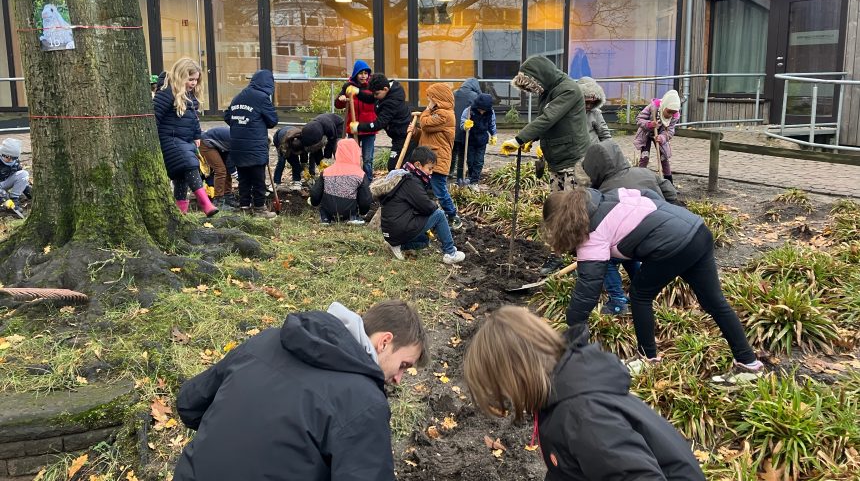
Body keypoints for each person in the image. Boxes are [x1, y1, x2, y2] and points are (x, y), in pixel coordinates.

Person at [173, 299, 428, 481]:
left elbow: (189, 404)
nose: (399, 379)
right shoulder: (364, 402)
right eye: (403, 365)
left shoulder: (267, 339)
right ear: (385, 341)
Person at [464, 307, 705, 481]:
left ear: (515, 373)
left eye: (500, 387)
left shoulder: (582, 415)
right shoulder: (566, 389)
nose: (505, 396)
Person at [541, 187, 763, 375]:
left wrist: (572, 324)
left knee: (640, 296)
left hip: (673, 244)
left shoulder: (593, 233)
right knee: (715, 302)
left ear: (562, 222)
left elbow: (587, 288)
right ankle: (749, 363)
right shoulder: (611, 195)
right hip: (695, 229)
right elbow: (648, 194)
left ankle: (648, 359)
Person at [500, 55, 589, 275]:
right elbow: (549, 122)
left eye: (533, 86)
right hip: (556, 159)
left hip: (573, 161)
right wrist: (533, 140)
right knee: (557, 209)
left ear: (542, 76)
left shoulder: (568, 90)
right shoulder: (548, 91)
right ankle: (557, 255)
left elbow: (549, 118)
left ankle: (583, 260)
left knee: (573, 211)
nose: (534, 91)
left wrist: (520, 138)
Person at [582, 140, 679, 316]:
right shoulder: (645, 172)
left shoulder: (604, 190)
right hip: (663, 233)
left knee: (607, 259)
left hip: (638, 236)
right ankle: (641, 290)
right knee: (626, 252)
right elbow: (671, 193)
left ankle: (617, 301)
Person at [371, 146, 465, 264]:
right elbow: (426, 207)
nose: (431, 173)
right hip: (398, 228)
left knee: (423, 241)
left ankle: (397, 245)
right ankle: (450, 253)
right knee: (439, 215)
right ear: (418, 165)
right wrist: (436, 205)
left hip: (391, 231)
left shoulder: (403, 176)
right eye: (429, 169)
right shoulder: (411, 181)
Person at [153, 58, 218, 217]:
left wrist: (197, 136)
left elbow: (194, 119)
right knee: (190, 165)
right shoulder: (167, 93)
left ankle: (181, 213)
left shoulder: (190, 96)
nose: (194, 83)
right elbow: (154, 117)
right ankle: (204, 202)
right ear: (180, 76)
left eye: (196, 79)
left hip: (186, 141)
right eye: (190, 79)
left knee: (181, 178)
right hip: (170, 140)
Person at [225, 69, 279, 219]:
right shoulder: (262, 98)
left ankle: (244, 207)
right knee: (258, 179)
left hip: (237, 146)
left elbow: (227, 117)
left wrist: (241, 124)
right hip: (255, 146)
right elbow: (273, 121)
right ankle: (260, 209)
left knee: (243, 179)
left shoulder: (237, 97)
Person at [418, 83, 462, 230]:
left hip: (437, 159)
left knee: (440, 190)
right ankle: (428, 214)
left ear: (438, 98)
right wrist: (415, 133)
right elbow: (427, 134)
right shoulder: (439, 113)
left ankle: (453, 216)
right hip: (430, 157)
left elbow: (425, 124)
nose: (429, 101)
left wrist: (427, 109)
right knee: (425, 189)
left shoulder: (444, 114)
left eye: (430, 98)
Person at [353, 74, 413, 172]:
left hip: (404, 136)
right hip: (396, 135)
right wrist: (358, 92)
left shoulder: (392, 102)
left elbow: (378, 124)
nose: (375, 96)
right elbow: (371, 98)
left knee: (393, 167)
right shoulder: (385, 91)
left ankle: (408, 185)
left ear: (385, 89)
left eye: (376, 94)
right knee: (397, 167)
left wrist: (358, 126)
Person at [310, 139, 371, 225]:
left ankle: (325, 218)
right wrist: (363, 211)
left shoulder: (326, 172)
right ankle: (353, 217)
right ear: (356, 153)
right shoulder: (360, 174)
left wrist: (314, 202)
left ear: (337, 152)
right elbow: (365, 199)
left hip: (328, 210)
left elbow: (315, 193)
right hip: (349, 210)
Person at [336, 60, 377, 182]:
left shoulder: (372, 86)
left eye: (366, 73)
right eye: (361, 73)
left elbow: (375, 100)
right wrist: (341, 99)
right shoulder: (348, 87)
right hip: (354, 128)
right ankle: (354, 179)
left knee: (367, 158)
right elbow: (338, 104)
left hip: (368, 128)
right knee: (353, 156)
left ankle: (368, 181)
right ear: (355, 74)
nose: (364, 76)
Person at [634, 89, 681, 182]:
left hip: (659, 136)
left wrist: (662, 138)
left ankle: (668, 182)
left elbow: (670, 131)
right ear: (664, 106)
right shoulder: (653, 107)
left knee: (664, 158)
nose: (670, 115)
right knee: (645, 157)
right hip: (646, 134)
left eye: (673, 113)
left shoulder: (674, 116)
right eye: (669, 112)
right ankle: (639, 180)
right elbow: (639, 119)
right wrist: (650, 124)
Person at [459, 91, 497, 185]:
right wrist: (465, 125)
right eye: (480, 109)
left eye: (484, 110)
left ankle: (474, 181)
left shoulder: (490, 112)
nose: (482, 111)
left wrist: (494, 135)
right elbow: (462, 123)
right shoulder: (469, 111)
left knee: (479, 161)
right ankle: (471, 177)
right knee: (470, 161)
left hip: (482, 140)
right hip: (470, 139)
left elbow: (492, 124)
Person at [199, 126, 237, 211]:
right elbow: (230, 163)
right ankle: (218, 201)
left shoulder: (241, 139)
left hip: (219, 144)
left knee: (226, 170)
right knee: (220, 170)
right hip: (206, 143)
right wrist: (238, 176)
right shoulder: (238, 141)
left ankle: (228, 197)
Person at [450, 77, 480, 182]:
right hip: (464, 129)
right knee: (462, 155)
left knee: (451, 152)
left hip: (452, 127)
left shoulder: (454, 93)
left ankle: (449, 173)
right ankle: (459, 177)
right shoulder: (475, 96)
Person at [272, 125, 312, 189]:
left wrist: (304, 168)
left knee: (295, 160)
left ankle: (297, 180)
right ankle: (276, 182)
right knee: (281, 161)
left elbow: (304, 157)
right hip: (279, 138)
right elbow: (287, 157)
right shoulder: (284, 144)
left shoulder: (304, 142)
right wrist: (300, 170)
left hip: (292, 136)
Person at [578, 76, 612, 147]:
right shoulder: (570, 112)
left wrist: (610, 149)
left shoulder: (595, 113)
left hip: (593, 150)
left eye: (592, 103)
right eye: (586, 102)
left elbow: (604, 134)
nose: (589, 106)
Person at [0, 138, 28, 214]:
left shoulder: (15, 163)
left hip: (4, 184)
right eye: (8, 157)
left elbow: (19, 177)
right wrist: (5, 198)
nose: (11, 160)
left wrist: (28, 190)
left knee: (24, 174)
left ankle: (14, 199)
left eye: (14, 158)